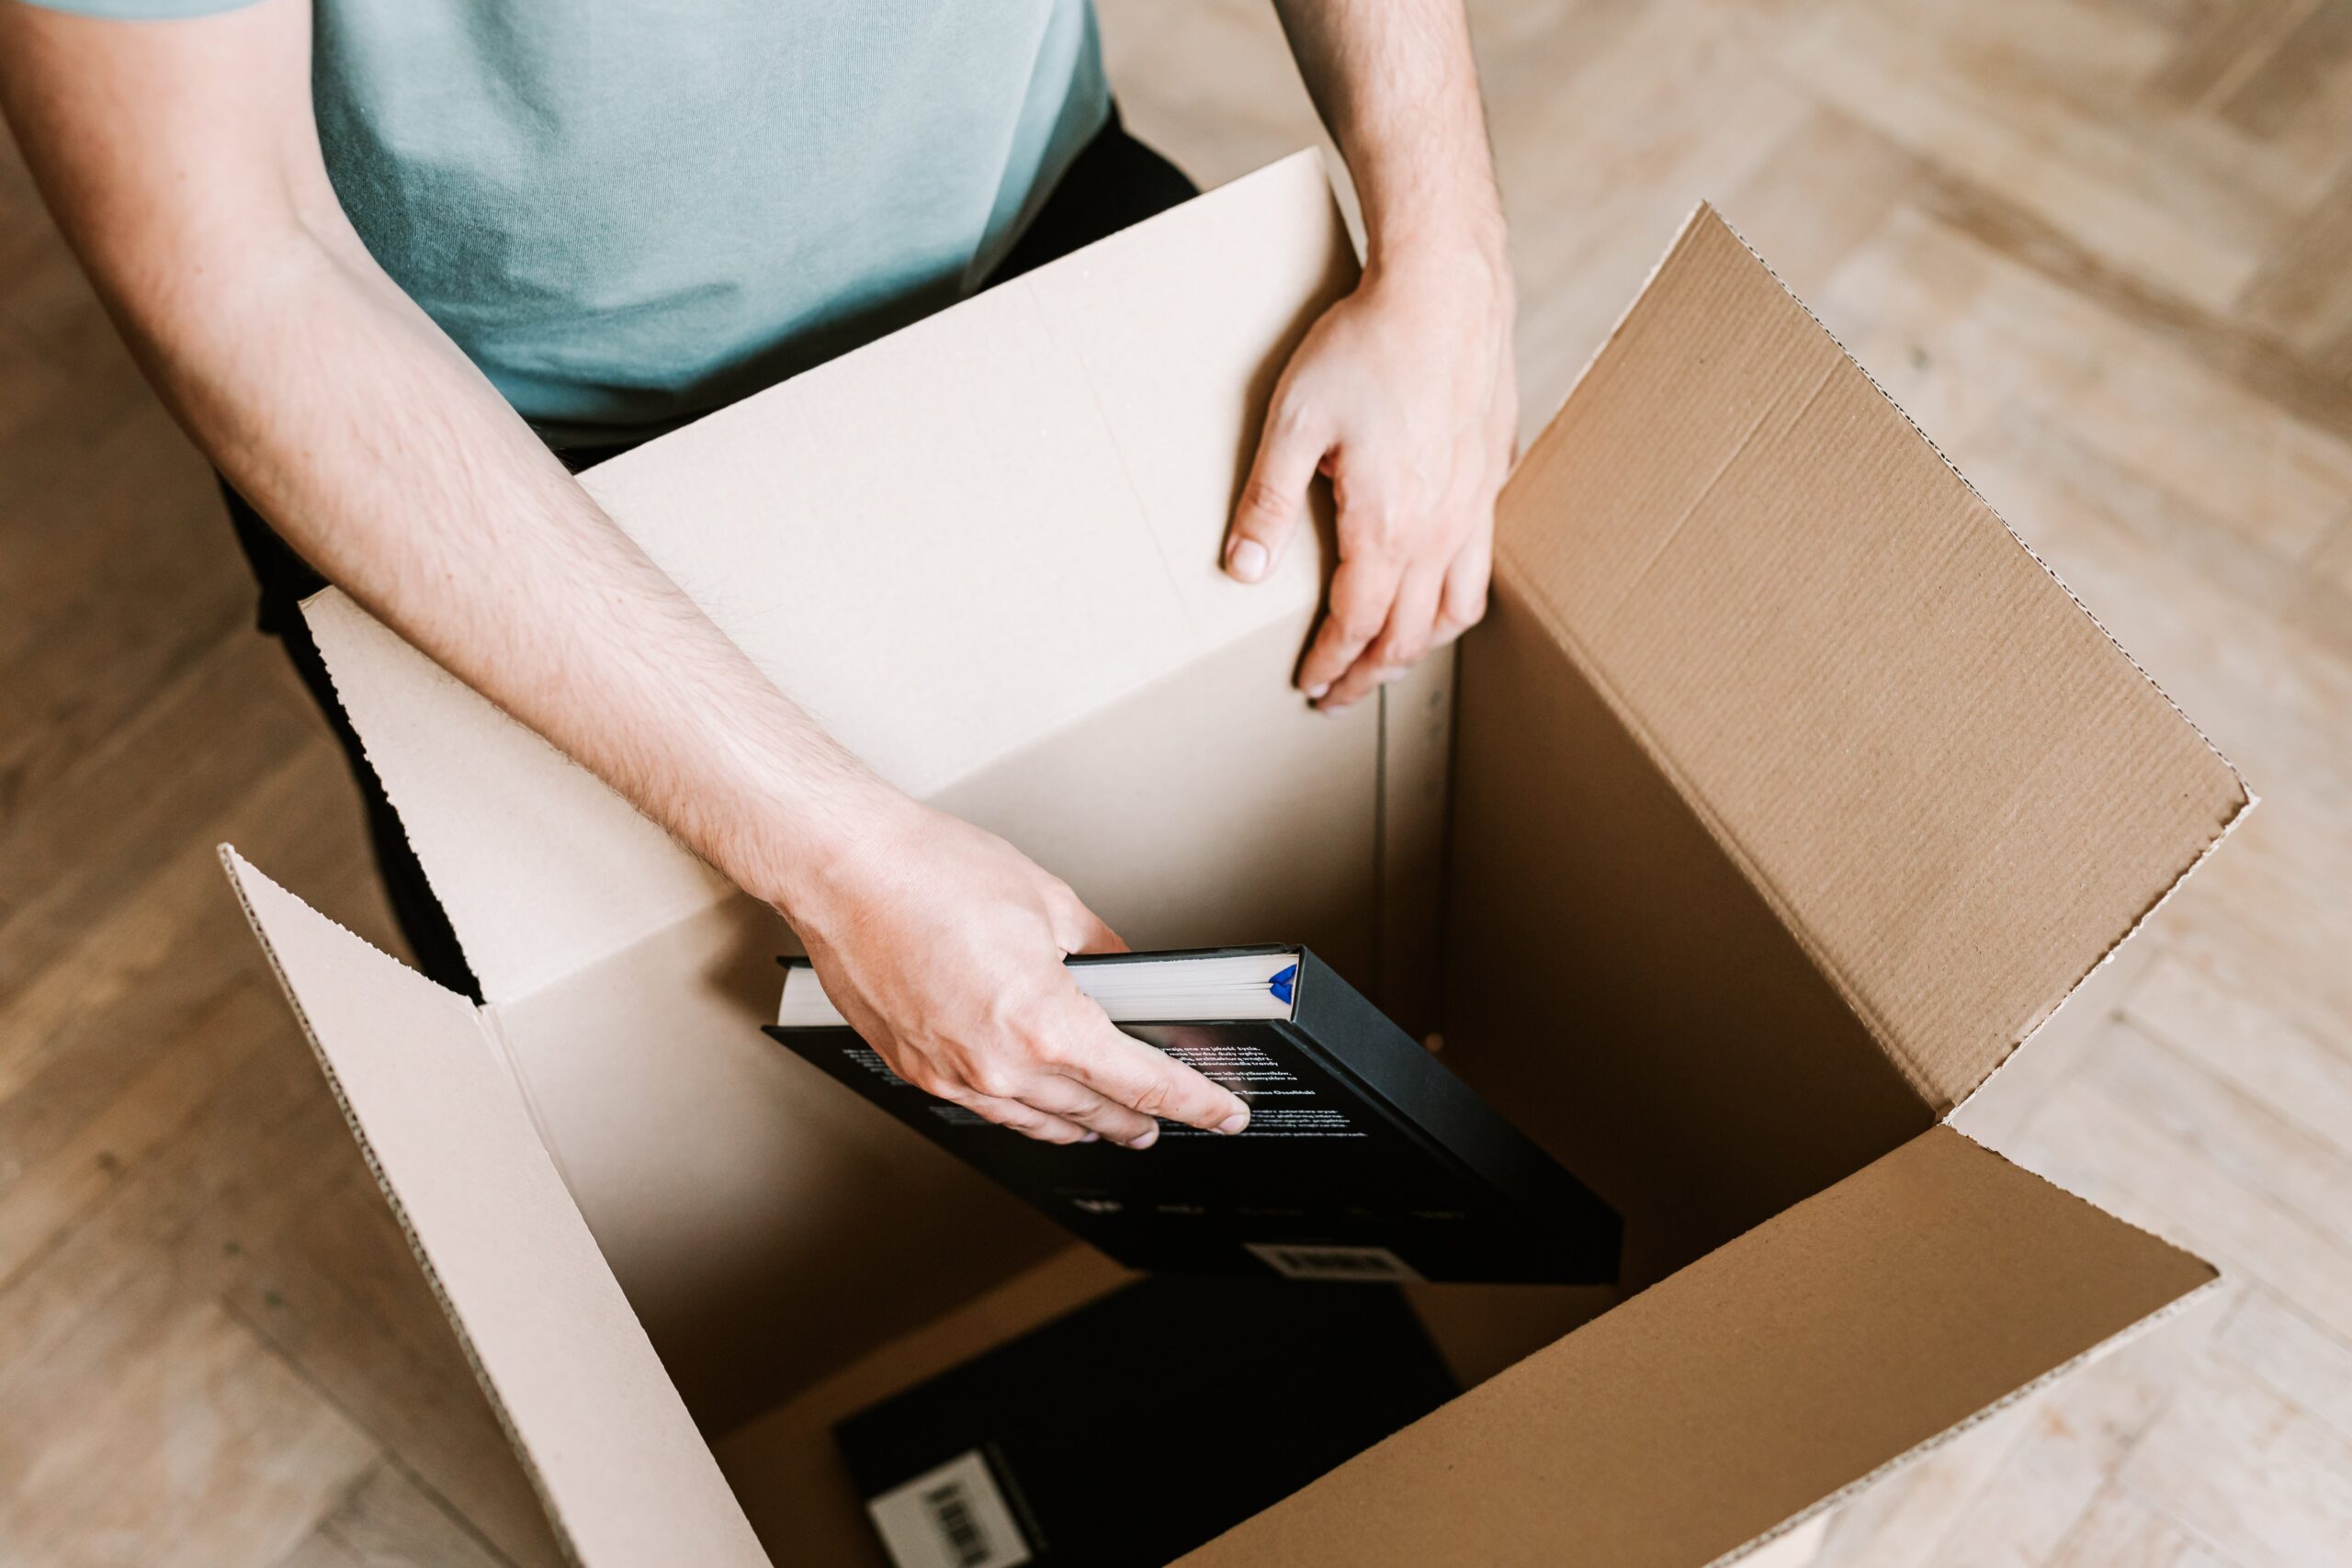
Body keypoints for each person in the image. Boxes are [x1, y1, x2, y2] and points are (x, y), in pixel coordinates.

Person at [0, 0, 1516, 1152]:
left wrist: (1445, 243)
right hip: (492, 458)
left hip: (1038, 229)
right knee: (632, 1105)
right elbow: (239, 259)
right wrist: (837, 856)